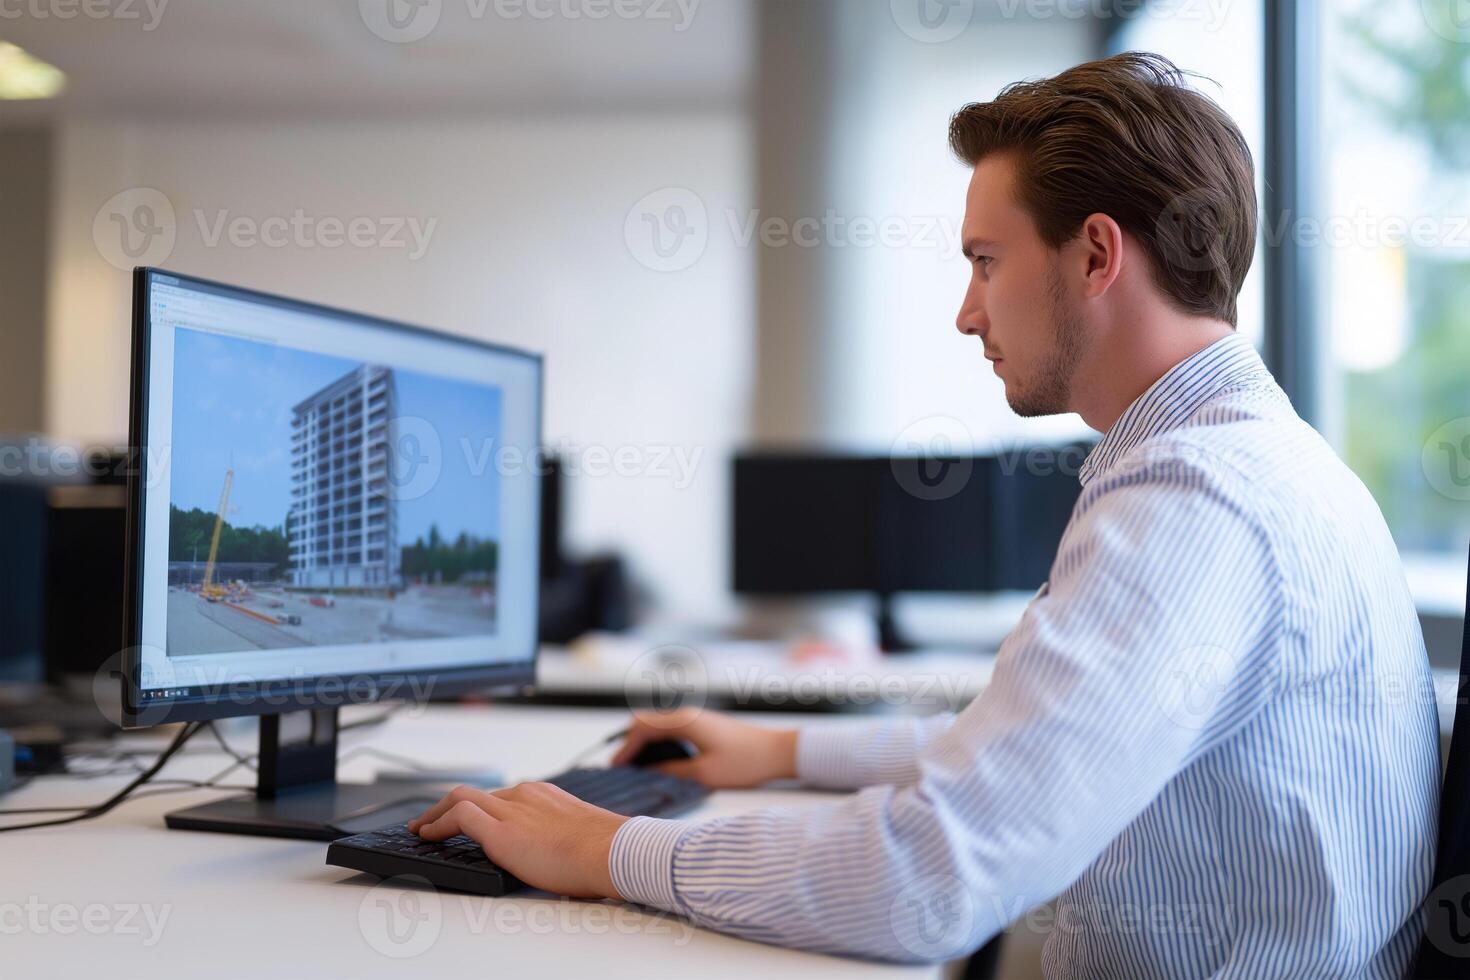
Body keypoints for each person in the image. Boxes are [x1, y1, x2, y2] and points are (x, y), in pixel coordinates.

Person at [409, 52, 1439, 975]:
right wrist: (782, 750)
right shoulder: (1262, 462)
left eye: (985, 260)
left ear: (1094, 255)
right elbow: (1038, 744)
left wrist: (604, 849)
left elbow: (932, 875)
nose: (967, 310)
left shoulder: (1195, 500)